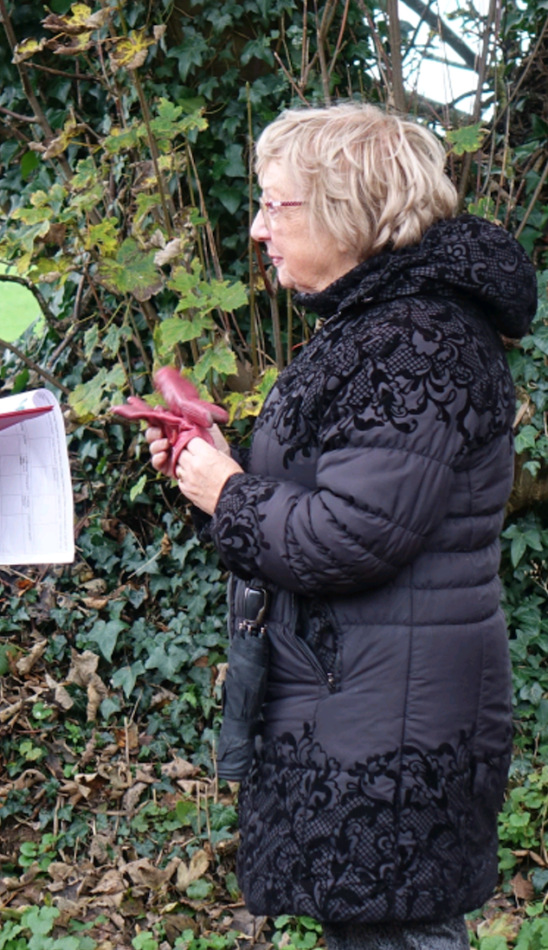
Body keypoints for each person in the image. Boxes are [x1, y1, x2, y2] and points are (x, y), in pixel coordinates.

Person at [142, 103, 537, 949]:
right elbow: (347, 486)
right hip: (371, 707)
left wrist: (227, 493)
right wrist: (217, 461)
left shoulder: (417, 339)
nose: (255, 228)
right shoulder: (380, 324)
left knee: (399, 930)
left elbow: (350, 536)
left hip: (393, 730)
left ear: (346, 208)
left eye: (275, 205)